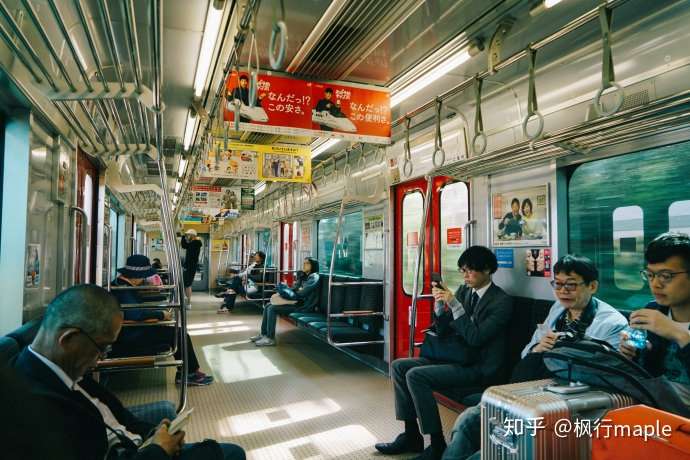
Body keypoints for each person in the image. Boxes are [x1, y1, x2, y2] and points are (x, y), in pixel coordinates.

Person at [12, 284, 245, 460]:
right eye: (101, 347)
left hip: (138, 443)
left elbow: (117, 417)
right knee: (232, 454)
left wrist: (153, 432)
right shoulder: (37, 408)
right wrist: (158, 450)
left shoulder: (67, 372)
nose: (101, 358)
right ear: (69, 339)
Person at [441, 254, 628, 460]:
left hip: (576, 397)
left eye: (571, 285)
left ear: (592, 286)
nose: (563, 291)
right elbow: (527, 351)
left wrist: (571, 351)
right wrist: (539, 348)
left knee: (491, 449)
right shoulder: (558, 309)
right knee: (468, 419)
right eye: (557, 285)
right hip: (539, 384)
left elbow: (610, 380)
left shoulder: (611, 324)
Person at [375, 246, 513, 460]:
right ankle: (412, 435)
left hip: (479, 367)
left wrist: (455, 306)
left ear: (487, 270)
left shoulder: (501, 301)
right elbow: (443, 329)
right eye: (463, 271)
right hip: (457, 357)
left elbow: (475, 338)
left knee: (416, 375)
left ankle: (436, 443)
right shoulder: (466, 291)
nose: (466, 276)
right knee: (399, 366)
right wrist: (440, 306)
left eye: (470, 270)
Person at [111, 254, 214, 386]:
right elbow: (135, 315)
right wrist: (160, 315)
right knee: (179, 334)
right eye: (143, 276)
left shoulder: (121, 284)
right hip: (131, 334)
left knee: (179, 333)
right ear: (137, 276)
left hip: (131, 329)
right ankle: (189, 374)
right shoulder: (124, 290)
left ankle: (188, 372)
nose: (144, 279)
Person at [620, 233, 690, 405]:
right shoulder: (653, 310)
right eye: (650, 275)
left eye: (666, 276)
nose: (655, 284)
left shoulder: (658, 319)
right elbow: (648, 378)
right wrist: (633, 355)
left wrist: (679, 335)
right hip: (656, 408)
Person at [251, 257, 321, 347]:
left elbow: (303, 292)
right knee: (269, 305)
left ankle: (270, 338)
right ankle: (263, 334)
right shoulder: (304, 276)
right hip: (297, 302)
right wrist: (290, 288)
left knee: (272, 308)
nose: (304, 265)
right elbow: (295, 288)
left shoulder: (314, 276)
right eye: (303, 263)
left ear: (313, 265)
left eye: (307, 263)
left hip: (303, 306)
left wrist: (294, 291)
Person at [181, 229, 202, 308]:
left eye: (188, 235)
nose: (187, 237)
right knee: (187, 284)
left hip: (190, 266)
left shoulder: (195, 243)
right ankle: (187, 302)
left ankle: (188, 303)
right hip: (190, 266)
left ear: (192, 236)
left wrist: (183, 236)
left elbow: (184, 245)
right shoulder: (194, 243)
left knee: (187, 284)